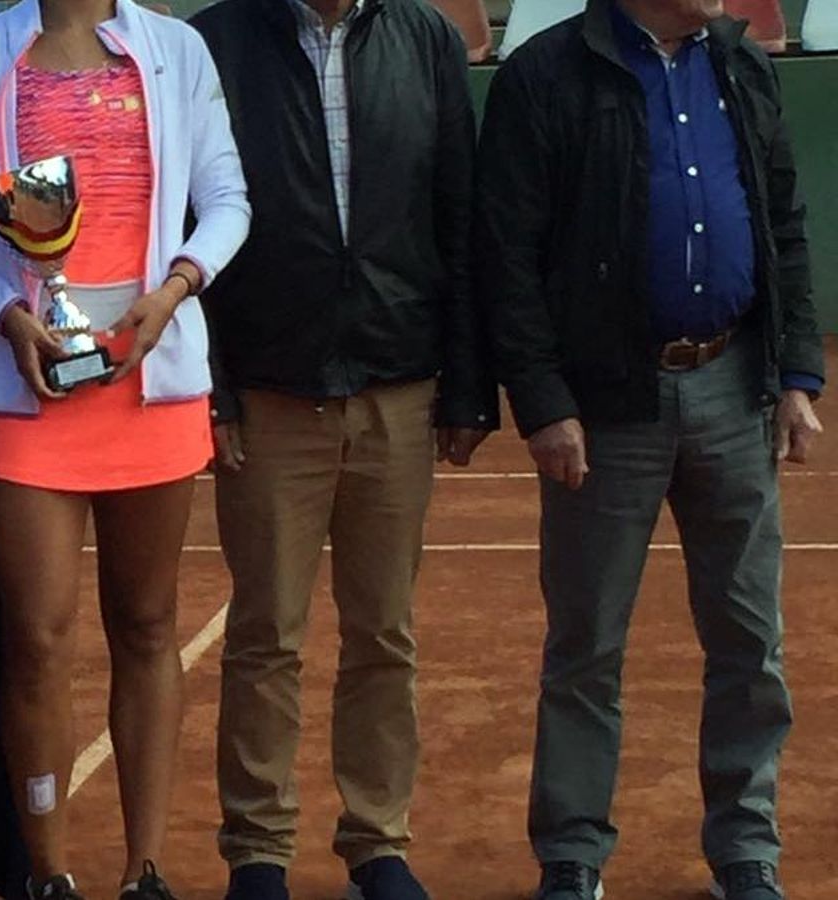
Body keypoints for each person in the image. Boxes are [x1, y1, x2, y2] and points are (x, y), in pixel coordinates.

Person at [474, 0, 824, 894]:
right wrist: (544, 404)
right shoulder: (545, 75)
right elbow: (507, 255)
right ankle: (572, 855)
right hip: (604, 405)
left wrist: (795, 374)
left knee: (749, 638)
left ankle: (746, 851)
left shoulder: (742, 67)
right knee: (587, 644)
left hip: (735, 387)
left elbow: (782, 224)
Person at [0, 1, 250, 897]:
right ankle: (48, 873)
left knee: (148, 624)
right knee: (37, 635)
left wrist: (174, 290)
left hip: (152, 383)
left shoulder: (178, 50)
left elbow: (227, 201)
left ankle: (145, 869)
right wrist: (6, 311)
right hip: (30, 390)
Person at [187, 0, 497, 896]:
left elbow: (459, 212)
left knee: (385, 633)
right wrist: (213, 388)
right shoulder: (214, 42)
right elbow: (188, 219)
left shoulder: (427, 39)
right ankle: (258, 853)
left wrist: (467, 382)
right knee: (264, 635)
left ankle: (377, 843)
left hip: (398, 387)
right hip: (269, 393)